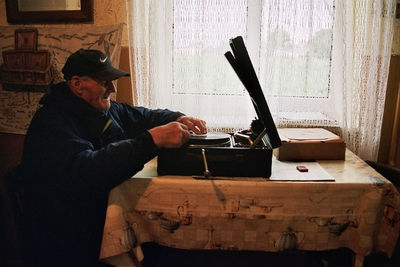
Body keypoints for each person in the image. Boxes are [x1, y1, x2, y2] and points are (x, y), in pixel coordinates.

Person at [19, 49, 207, 267]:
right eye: (104, 82)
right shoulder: (52, 121)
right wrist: (151, 140)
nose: (113, 88)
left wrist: (178, 117)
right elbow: (88, 170)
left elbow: (143, 116)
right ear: (77, 84)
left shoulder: (100, 107)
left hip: (92, 216)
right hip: (64, 236)